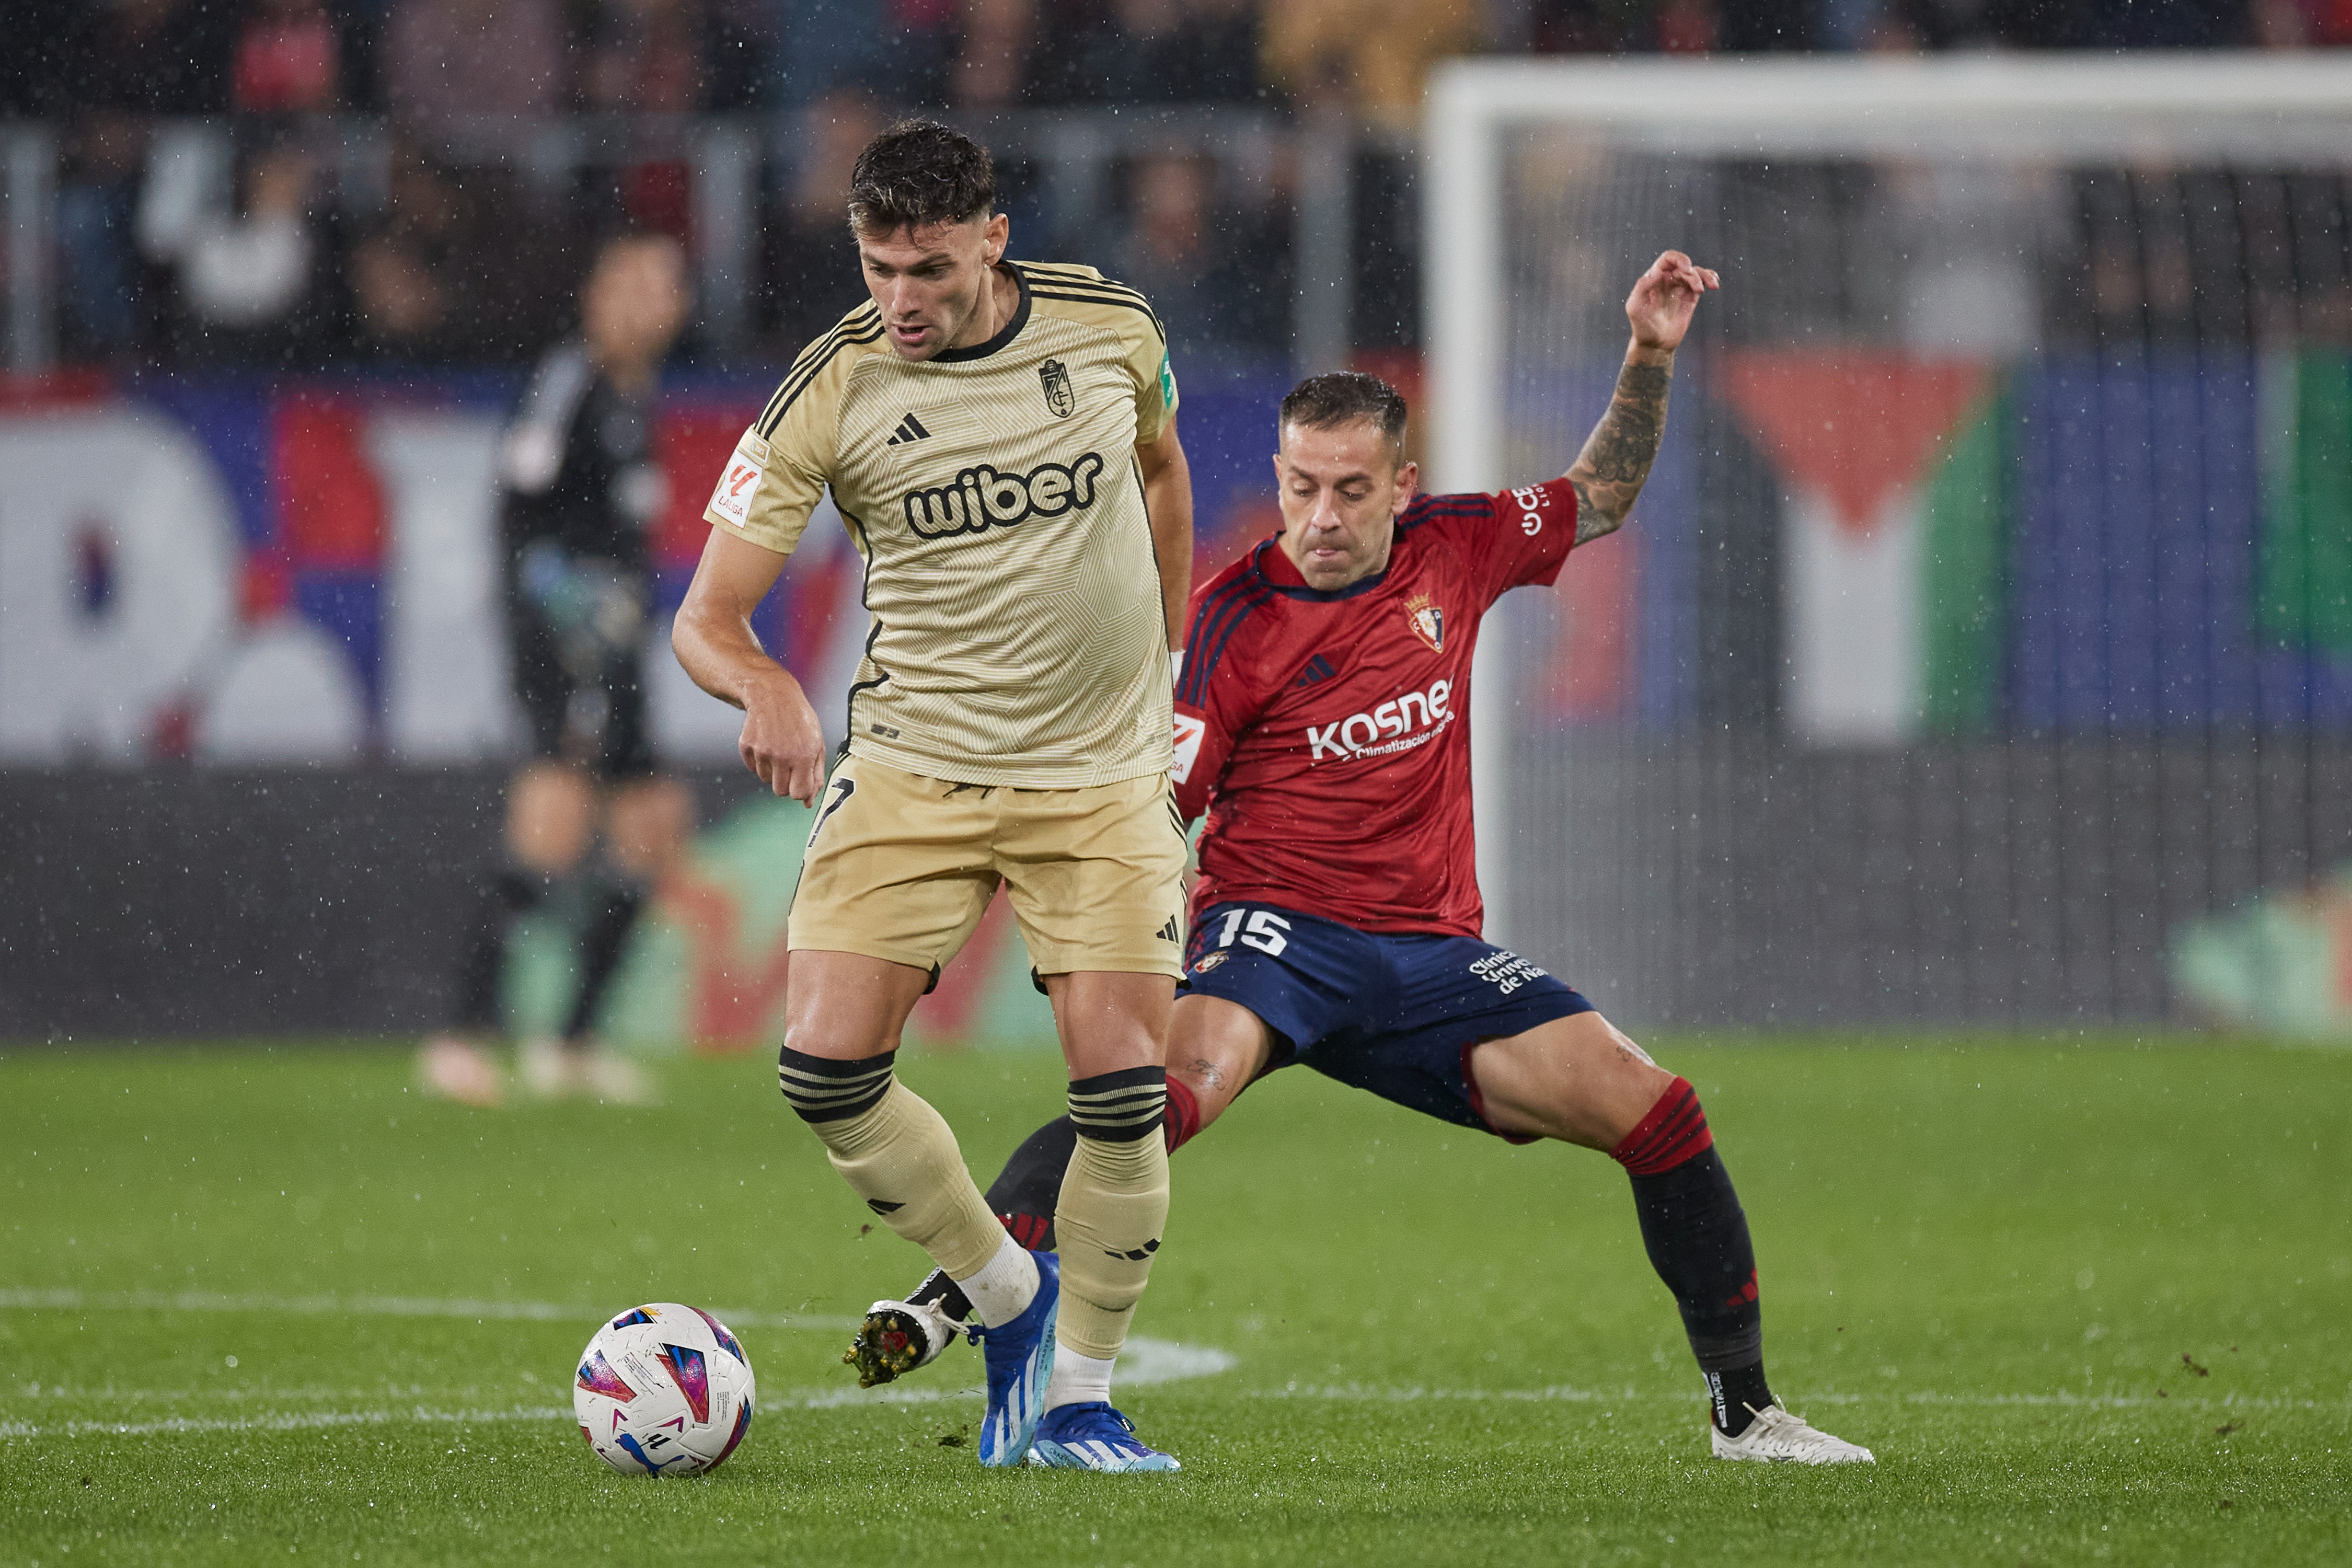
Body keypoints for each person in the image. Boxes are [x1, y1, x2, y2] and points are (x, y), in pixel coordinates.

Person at [857, 252, 1878, 1466]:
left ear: (1404, 485)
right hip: (1275, 939)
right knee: (1149, 1101)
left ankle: (1745, 1415)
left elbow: (1599, 492)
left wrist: (1649, 355)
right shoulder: (1235, 623)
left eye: (1350, 489)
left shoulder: (1464, 546)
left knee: (1658, 1114)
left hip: (1433, 958)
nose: (1323, 518)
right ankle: (958, 1287)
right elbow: (1152, 809)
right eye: (1301, 487)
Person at [670, 121, 1196, 1472]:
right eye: (875, 265)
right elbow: (704, 620)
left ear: (991, 238)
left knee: (1121, 1092)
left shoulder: (1109, 329)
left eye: (926, 268)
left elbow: (1159, 472)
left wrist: (1172, 670)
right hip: (915, 764)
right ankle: (1007, 1297)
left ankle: (1079, 1396)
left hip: (1097, 777)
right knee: (825, 1071)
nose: (899, 298)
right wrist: (766, 687)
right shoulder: (829, 389)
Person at [419, 230, 696, 1108]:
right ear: (598, 296)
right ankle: (460, 1037)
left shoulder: (631, 396)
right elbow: (517, 518)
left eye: (666, 287)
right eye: (638, 284)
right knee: (552, 822)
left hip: (615, 648)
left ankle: (570, 1045)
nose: (655, 302)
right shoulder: (569, 382)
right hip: (567, 648)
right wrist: (562, 613)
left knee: (654, 823)